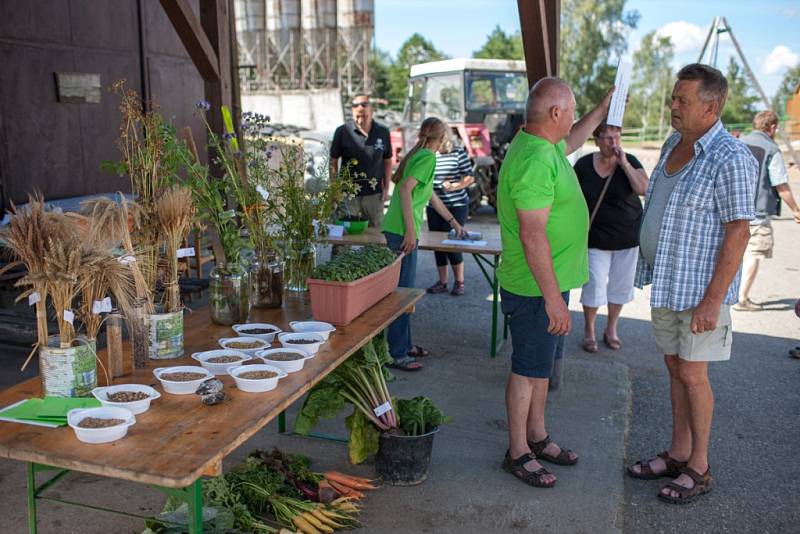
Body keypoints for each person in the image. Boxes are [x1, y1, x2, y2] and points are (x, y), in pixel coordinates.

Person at [628, 64, 758, 504]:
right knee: (674, 369)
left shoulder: (730, 157)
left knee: (692, 374)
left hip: (702, 294)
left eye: (683, 100)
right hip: (668, 284)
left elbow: (739, 231)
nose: (673, 106)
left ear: (712, 106)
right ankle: (678, 451)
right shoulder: (673, 144)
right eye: (673, 98)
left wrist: (713, 300)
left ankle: (698, 466)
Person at [497, 77, 614, 488]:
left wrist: (601, 110)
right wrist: (553, 300)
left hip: (549, 286)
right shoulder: (533, 160)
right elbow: (532, 235)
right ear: (554, 114)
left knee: (542, 369)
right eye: (571, 109)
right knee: (527, 371)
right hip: (534, 289)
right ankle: (517, 452)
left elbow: (572, 139)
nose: (573, 118)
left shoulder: (542, 146)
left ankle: (538, 435)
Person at [381, 117, 467, 371]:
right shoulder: (428, 158)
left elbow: (428, 194)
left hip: (396, 228)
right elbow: (407, 190)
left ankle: (404, 345)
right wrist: (410, 231)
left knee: (404, 294)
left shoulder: (419, 156)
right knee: (402, 296)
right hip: (401, 231)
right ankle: (397, 353)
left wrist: (454, 222)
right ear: (441, 139)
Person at [574, 122, 648, 352]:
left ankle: (611, 328)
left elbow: (644, 189)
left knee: (620, 286)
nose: (612, 143)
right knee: (594, 285)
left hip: (627, 236)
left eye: (617, 137)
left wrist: (624, 163)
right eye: (607, 138)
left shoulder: (631, 161)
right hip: (595, 237)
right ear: (596, 140)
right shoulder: (584, 165)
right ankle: (589, 330)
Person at [735, 110, 800, 311]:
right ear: (772, 128)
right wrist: (796, 209)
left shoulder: (739, 143)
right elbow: (781, 184)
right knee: (753, 253)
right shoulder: (772, 149)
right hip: (758, 212)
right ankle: (742, 298)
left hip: (733, 209)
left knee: (733, 252)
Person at [329, 94, 392, 228]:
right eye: (355, 105)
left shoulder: (383, 132)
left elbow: (387, 161)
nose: (359, 108)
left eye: (364, 104)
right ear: (352, 110)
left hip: (374, 195)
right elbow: (333, 161)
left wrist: (386, 187)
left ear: (371, 109)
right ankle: (341, 250)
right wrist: (334, 188)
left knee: (376, 236)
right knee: (343, 235)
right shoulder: (343, 131)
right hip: (348, 194)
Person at [426, 134, 475, 296]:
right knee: (437, 244)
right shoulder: (430, 153)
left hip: (456, 205)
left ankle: (459, 281)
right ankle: (443, 282)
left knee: (452, 242)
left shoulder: (458, 152)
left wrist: (455, 186)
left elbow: (470, 177)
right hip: (434, 205)